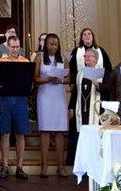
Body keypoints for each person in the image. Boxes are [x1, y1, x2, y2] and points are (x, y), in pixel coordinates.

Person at [66, 28, 112, 165]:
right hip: (81, 110)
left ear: (96, 59)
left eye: (90, 57)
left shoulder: (103, 73)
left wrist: (97, 84)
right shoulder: (80, 73)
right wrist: (71, 108)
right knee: (79, 136)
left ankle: (95, 163)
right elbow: (76, 92)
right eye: (85, 57)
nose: (87, 58)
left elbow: (108, 91)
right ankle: (81, 163)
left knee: (95, 137)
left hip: (97, 111)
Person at [34, 33, 69, 178]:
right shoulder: (39, 57)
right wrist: (48, 78)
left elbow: (69, 78)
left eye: (56, 44)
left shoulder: (64, 58)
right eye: (51, 44)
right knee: (45, 131)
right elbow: (35, 78)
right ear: (45, 44)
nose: (53, 47)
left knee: (60, 132)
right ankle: (44, 166)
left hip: (59, 96)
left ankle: (60, 167)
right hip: (45, 96)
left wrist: (60, 80)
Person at [0, 36, 30, 180]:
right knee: (5, 133)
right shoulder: (0, 62)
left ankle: (19, 167)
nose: (15, 49)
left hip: (20, 99)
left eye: (17, 47)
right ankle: (4, 166)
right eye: (13, 47)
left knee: (20, 134)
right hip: (4, 99)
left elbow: (29, 84)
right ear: (8, 47)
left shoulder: (25, 62)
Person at [28, 32, 47, 121]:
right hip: (38, 82)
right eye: (42, 39)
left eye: (46, 39)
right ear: (39, 42)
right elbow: (32, 70)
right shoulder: (35, 54)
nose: (44, 41)